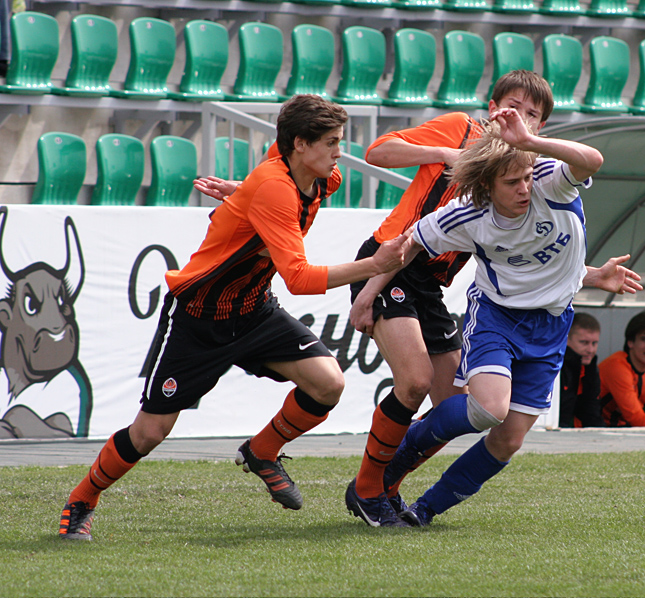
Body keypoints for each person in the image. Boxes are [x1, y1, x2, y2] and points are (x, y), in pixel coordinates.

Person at [57, 95, 410, 541]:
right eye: (331, 142)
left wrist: (243, 194)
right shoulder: (275, 188)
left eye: (340, 141)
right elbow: (299, 278)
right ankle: (82, 498)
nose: (340, 152)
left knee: (328, 383)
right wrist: (375, 265)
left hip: (254, 309)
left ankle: (263, 451)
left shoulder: (321, 178)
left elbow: (266, 195)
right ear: (300, 144)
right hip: (200, 317)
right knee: (150, 432)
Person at [361, 108, 641, 527]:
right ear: (485, 187)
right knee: (488, 409)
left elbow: (593, 160)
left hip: (552, 325)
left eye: (526, 177)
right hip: (499, 318)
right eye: (512, 183)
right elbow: (409, 242)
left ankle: (425, 510)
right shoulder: (466, 214)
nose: (524, 188)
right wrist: (367, 295)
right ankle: (388, 469)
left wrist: (531, 145)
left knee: (508, 440)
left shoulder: (550, 181)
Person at [344, 71, 562, 527]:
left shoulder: (529, 171)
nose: (520, 118)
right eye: (513, 107)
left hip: (431, 283)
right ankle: (368, 490)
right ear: (493, 108)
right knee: (415, 381)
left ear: (539, 127)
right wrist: (445, 154)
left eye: (532, 114)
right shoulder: (460, 129)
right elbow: (377, 152)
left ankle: (386, 484)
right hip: (389, 260)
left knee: (455, 405)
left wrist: (589, 274)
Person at [559, 312, 602, 427]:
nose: (590, 350)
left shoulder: (591, 368)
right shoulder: (556, 368)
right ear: (566, 339)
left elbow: (592, 412)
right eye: (584, 342)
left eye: (594, 343)